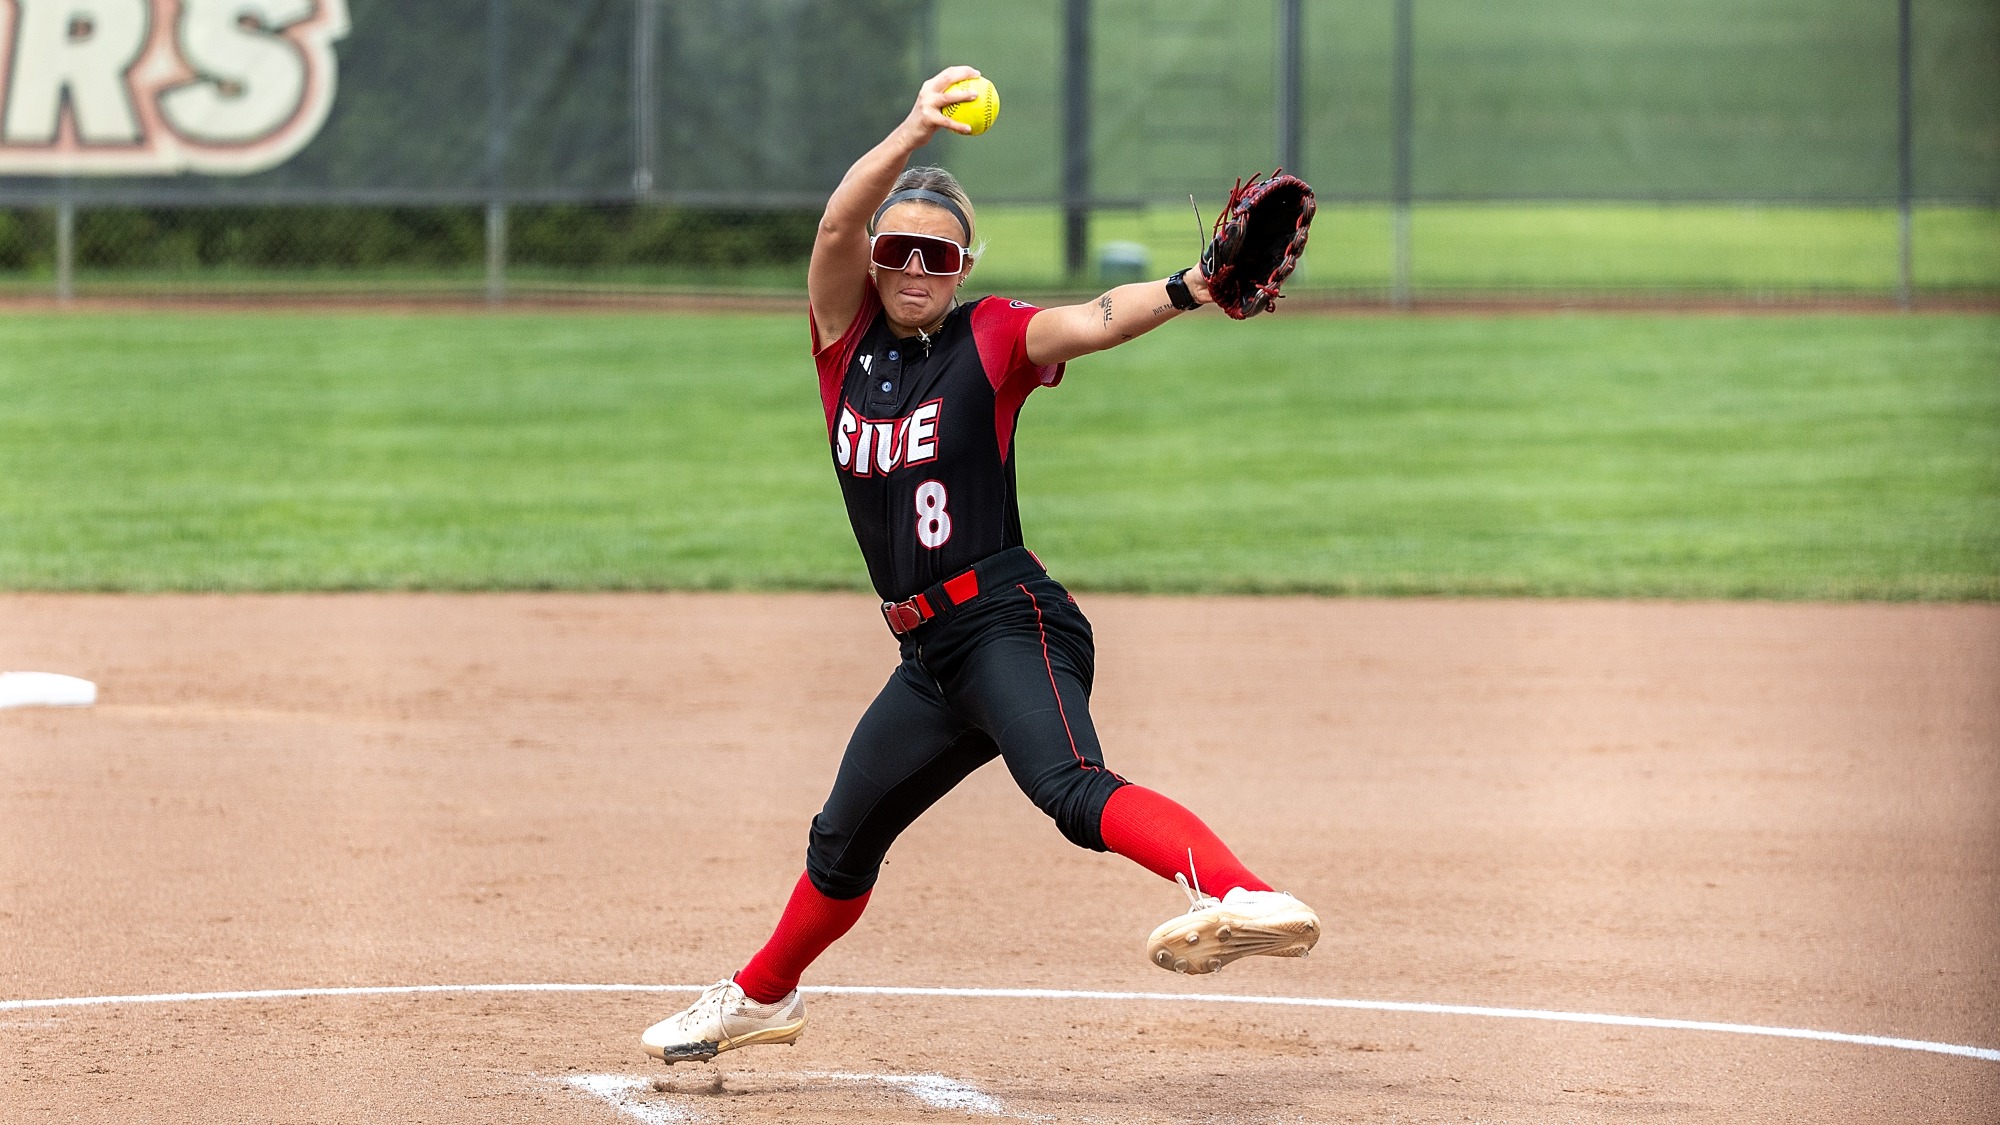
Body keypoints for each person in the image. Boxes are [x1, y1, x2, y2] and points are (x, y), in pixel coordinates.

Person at [641, 67, 1320, 1064]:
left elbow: (1090, 318)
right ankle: (759, 998)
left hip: (1008, 620)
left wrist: (1189, 287)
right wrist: (912, 131)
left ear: (962, 268)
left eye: (938, 255)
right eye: (899, 249)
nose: (915, 266)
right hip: (928, 661)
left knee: (1069, 788)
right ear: (876, 261)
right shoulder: (843, 341)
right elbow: (832, 228)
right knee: (841, 842)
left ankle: (1238, 893)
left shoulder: (990, 334)